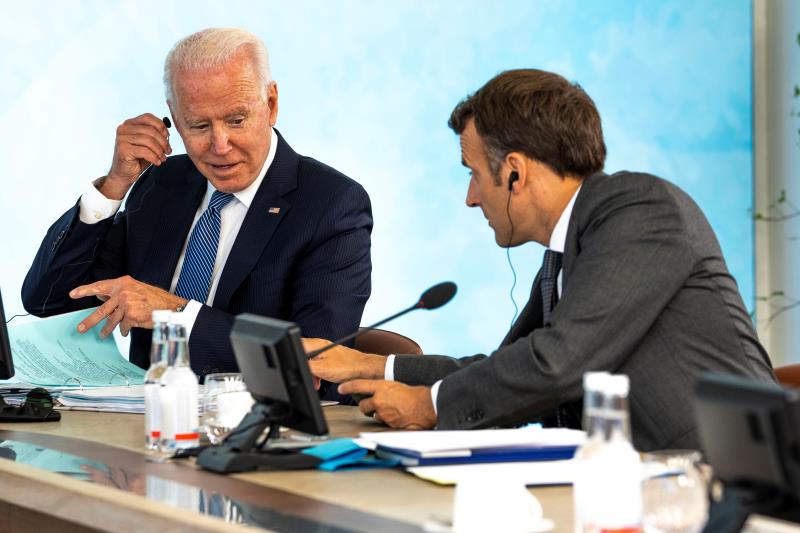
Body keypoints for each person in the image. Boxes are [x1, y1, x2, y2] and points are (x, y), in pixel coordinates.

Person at [306, 69, 776, 450]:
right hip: (636, 484)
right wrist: (372, 367)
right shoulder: (567, 249)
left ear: (514, 172)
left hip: (732, 489)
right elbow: (511, 365)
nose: (471, 198)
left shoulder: (642, 209)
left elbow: (556, 363)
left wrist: (430, 404)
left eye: (473, 175)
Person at [22, 28, 372, 400]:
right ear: (174, 117)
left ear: (270, 104)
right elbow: (48, 302)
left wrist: (173, 312)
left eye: (236, 120)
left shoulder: (332, 204)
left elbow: (316, 361)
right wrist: (113, 188)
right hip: (143, 426)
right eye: (199, 125)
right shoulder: (161, 185)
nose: (220, 146)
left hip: (260, 430)